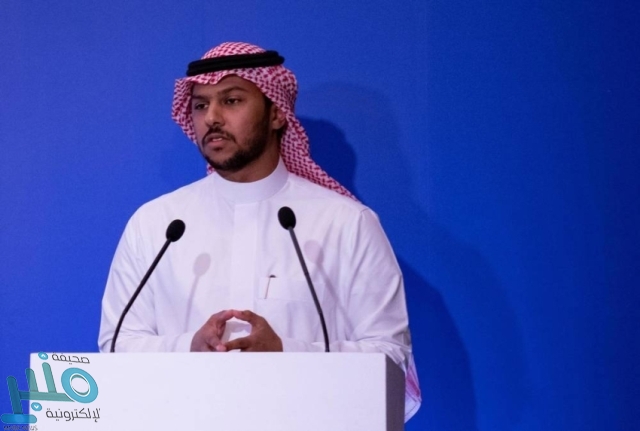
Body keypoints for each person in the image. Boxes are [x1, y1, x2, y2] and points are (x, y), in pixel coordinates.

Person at [98, 41, 421, 420]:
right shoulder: (157, 224)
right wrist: (189, 346)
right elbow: (117, 345)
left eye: (232, 100)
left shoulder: (346, 223)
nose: (212, 117)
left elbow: (390, 357)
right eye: (200, 105)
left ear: (276, 113)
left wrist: (286, 353)